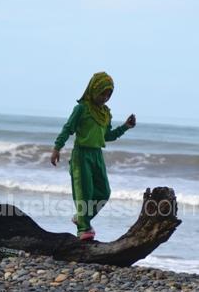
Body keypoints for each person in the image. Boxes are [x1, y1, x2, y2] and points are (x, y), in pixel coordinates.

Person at [50, 72, 136, 241]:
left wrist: (125, 127)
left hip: (97, 155)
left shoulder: (105, 113)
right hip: (81, 154)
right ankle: (83, 229)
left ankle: (81, 218)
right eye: (102, 93)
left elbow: (107, 136)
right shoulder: (81, 108)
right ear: (93, 89)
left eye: (108, 94)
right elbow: (68, 128)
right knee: (84, 193)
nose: (105, 97)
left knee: (104, 192)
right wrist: (57, 148)